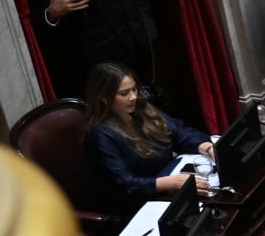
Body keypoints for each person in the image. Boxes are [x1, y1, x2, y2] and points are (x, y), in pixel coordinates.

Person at [81, 61, 209, 214]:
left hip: (169, 182)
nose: (133, 97)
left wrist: (206, 147)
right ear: (104, 98)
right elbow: (125, 184)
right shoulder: (100, 135)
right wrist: (169, 183)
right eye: (124, 93)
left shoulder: (141, 108)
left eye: (134, 89)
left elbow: (178, 132)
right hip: (139, 203)